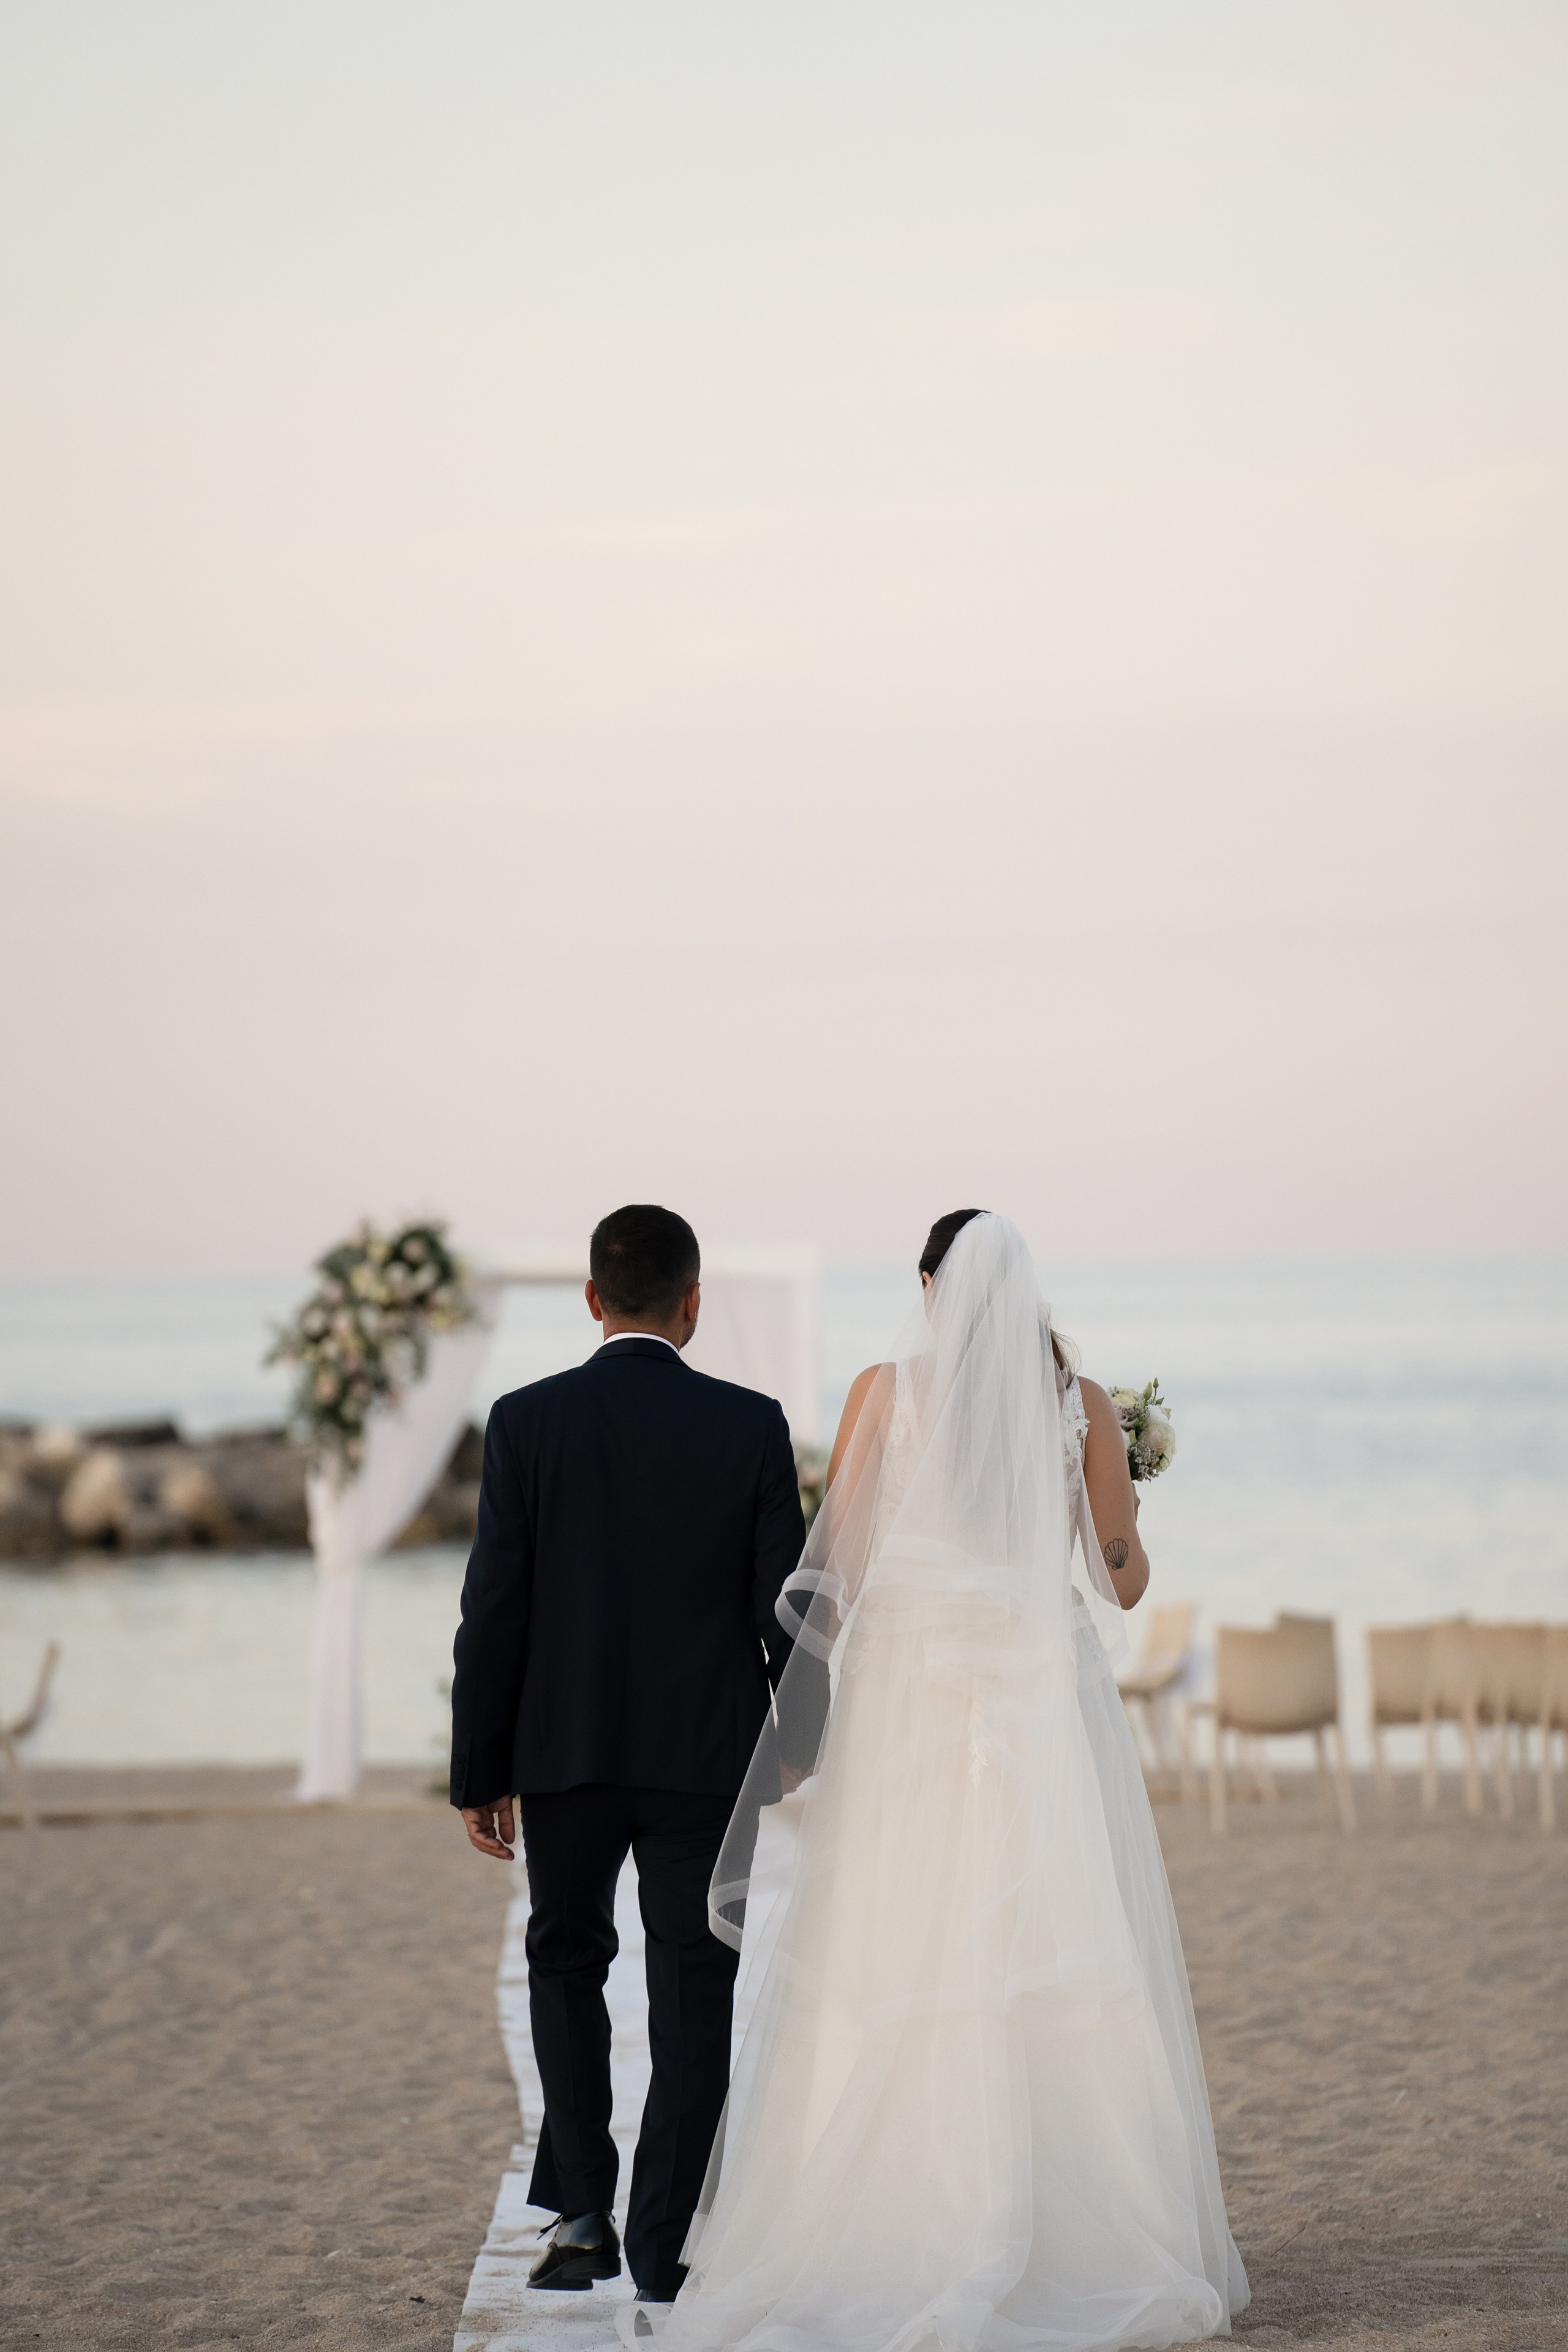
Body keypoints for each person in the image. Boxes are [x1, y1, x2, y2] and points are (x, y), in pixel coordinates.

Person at [635, 1209, 1249, 2351]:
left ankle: (884, 2224)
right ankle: (1076, 2234)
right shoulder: (1084, 1404)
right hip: (1035, 1701)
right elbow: (1120, 1584)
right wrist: (1125, 1500)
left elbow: (845, 1566)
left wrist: (804, 1707)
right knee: (1046, 1939)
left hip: (915, 1699)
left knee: (895, 1934)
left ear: (931, 1287)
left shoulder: (883, 1391)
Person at [450, 1204, 807, 2304]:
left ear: (594, 1300)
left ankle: (585, 2216)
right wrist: (795, 1751)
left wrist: (480, 1768)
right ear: (693, 1305)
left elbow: (494, 1609)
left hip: (563, 1756)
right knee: (696, 1988)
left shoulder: (525, 1421)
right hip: (707, 1759)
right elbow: (788, 1612)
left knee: (566, 1965)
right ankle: (662, 2244)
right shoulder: (751, 1425)